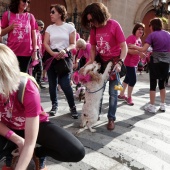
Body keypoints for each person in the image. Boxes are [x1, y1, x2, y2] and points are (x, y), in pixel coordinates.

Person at [0, 44, 85, 170]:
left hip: (34, 124)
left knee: (75, 151)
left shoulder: (26, 87)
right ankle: (11, 152)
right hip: (6, 127)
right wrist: (17, 139)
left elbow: (29, 142)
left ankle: (39, 153)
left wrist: (27, 147)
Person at [81, 2, 128, 130]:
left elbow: (124, 47)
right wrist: (90, 61)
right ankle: (95, 115)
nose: (92, 23)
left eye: (93, 20)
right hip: (101, 62)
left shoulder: (114, 25)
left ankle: (111, 118)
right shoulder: (94, 28)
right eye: (89, 21)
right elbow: (93, 48)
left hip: (114, 63)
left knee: (113, 93)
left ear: (100, 15)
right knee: (97, 91)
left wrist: (120, 62)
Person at [43, 4, 79, 118]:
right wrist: (52, 53)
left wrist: (65, 50)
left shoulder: (69, 27)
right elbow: (45, 43)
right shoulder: (49, 28)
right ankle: (54, 105)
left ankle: (72, 107)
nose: (50, 14)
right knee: (52, 84)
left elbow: (73, 44)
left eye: (53, 12)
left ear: (60, 13)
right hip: (52, 57)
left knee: (65, 84)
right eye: (50, 12)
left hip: (64, 58)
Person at [129, 18, 170, 113]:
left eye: (150, 26)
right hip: (166, 62)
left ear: (153, 25)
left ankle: (152, 106)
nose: (149, 28)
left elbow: (143, 49)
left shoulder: (152, 35)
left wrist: (134, 46)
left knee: (153, 84)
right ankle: (163, 105)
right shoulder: (168, 34)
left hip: (155, 61)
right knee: (162, 84)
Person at [1, 0, 38, 73]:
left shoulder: (30, 16)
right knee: (12, 75)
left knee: (23, 76)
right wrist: (10, 28)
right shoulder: (7, 15)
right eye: (24, 1)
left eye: (27, 2)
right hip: (12, 52)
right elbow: (1, 33)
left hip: (27, 52)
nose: (26, 4)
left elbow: (34, 35)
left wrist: (35, 51)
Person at [118, 23, 145, 105]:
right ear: (135, 30)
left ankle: (121, 94)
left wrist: (140, 53)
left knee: (127, 79)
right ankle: (129, 97)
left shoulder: (139, 40)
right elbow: (126, 50)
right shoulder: (131, 38)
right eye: (139, 29)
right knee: (133, 80)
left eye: (142, 29)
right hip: (129, 63)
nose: (140, 31)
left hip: (134, 63)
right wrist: (138, 52)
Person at [29, 19, 46, 89]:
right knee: (36, 68)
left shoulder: (39, 33)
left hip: (38, 52)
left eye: (43, 28)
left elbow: (40, 44)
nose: (42, 29)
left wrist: (41, 53)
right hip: (34, 51)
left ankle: (37, 82)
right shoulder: (34, 32)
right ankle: (34, 83)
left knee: (39, 68)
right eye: (41, 27)